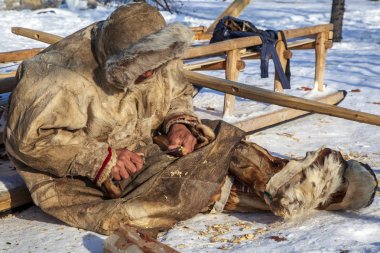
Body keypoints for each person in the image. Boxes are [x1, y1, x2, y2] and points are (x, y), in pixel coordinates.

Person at [4, 3, 377, 236]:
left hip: (143, 142)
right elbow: (28, 142)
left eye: (155, 68)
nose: (151, 77)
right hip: (74, 174)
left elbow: (176, 93)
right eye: (141, 71)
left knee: (225, 142)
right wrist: (101, 158)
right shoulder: (56, 79)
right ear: (118, 61)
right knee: (185, 187)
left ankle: (302, 182)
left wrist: (179, 123)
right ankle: (308, 193)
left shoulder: (154, 51)